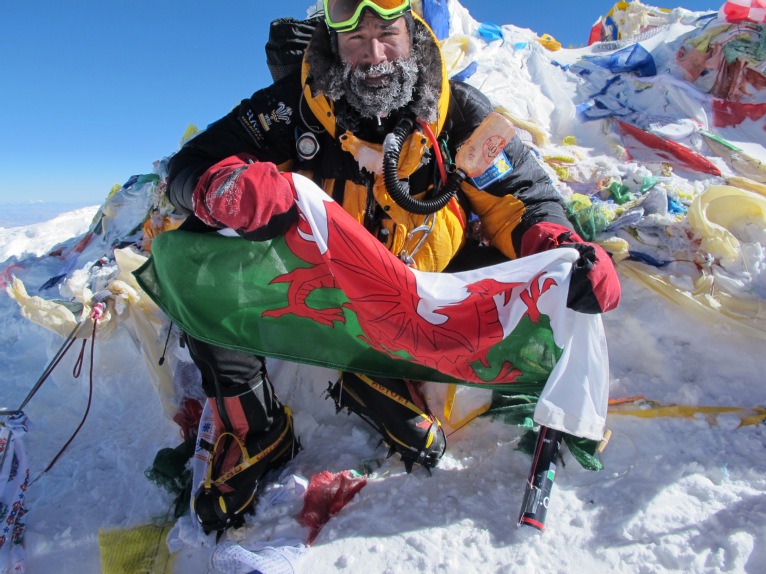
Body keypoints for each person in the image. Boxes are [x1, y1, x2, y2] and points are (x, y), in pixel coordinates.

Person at [163, 0, 620, 532]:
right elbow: (190, 164)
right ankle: (258, 429)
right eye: (355, 41)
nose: (374, 55)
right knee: (202, 248)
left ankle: (381, 371)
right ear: (333, 46)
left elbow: (520, 196)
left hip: (422, 286)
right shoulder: (294, 108)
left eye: (387, 33)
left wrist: (560, 245)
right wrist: (224, 188)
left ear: (413, 31)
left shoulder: (460, 113)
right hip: (325, 290)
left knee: (514, 277)